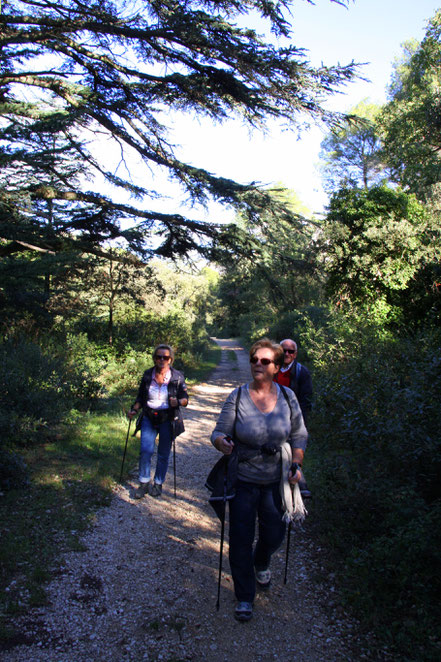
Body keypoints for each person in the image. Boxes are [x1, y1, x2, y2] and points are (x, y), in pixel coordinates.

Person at [211, 338, 308, 622]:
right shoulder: (238, 397)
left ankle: (262, 560)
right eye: (254, 359)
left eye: (265, 361)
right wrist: (221, 443)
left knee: (274, 534)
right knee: (240, 538)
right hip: (243, 478)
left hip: (277, 479)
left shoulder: (289, 397)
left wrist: (297, 462)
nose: (257, 364)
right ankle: (244, 595)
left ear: (277, 367)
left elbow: (300, 434)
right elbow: (218, 432)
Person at [128, 344, 188, 499]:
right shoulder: (148, 375)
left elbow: (185, 400)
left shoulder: (177, 377)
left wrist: (178, 402)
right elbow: (141, 397)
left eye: (165, 357)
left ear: (170, 359)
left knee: (163, 453)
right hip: (149, 416)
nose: (162, 360)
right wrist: (134, 410)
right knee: (146, 451)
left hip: (167, 418)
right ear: (154, 358)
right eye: (158, 357)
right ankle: (143, 483)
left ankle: (158, 483)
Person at [274, 338, 313, 498]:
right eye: (284, 350)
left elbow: (306, 400)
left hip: (292, 419)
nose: (287, 354)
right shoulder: (272, 368)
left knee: (292, 451)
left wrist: (300, 422)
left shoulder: (301, 372)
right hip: (272, 418)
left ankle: (299, 485)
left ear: (295, 354)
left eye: (291, 351)